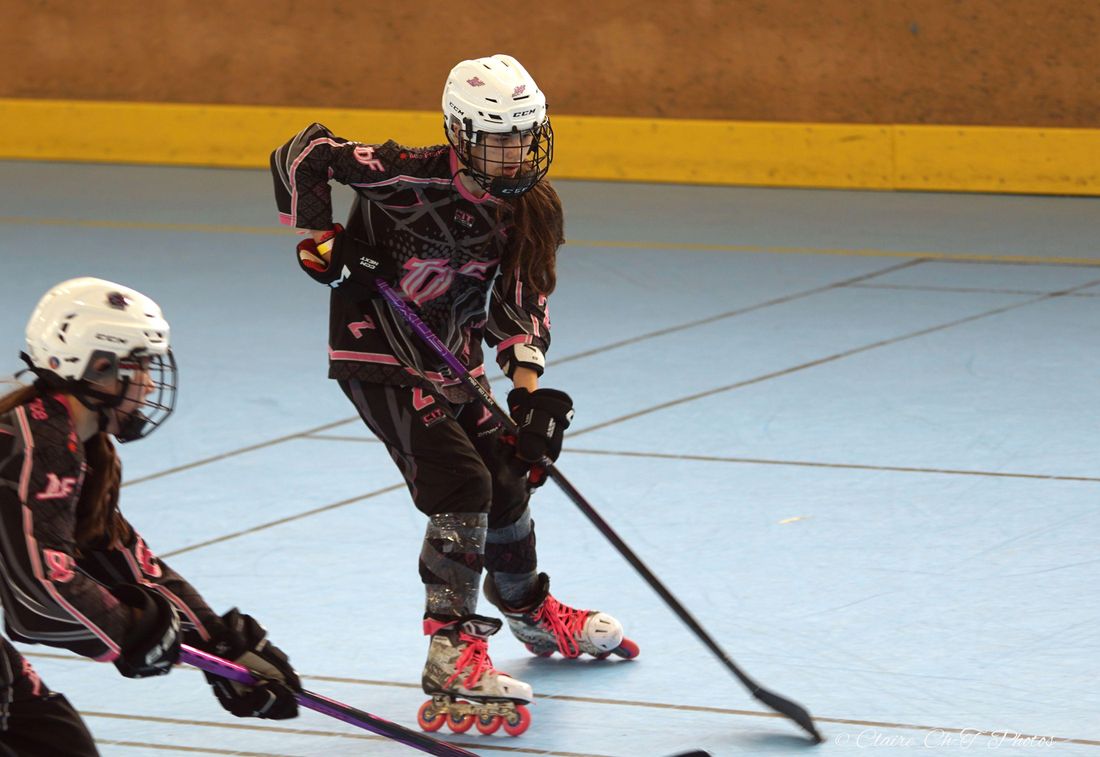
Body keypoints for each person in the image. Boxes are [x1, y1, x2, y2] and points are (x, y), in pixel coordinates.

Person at [270, 53, 637, 736]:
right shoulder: (404, 172)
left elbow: (523, 300)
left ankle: (529, 611)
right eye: (499, 140)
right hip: (378, 353)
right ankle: (452, 651)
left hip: (454, 362)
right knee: (461, 482)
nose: (516, 154)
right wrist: (323, 239)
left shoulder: (533, 208)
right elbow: (307, 152)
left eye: (525, 137)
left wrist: (527, 395)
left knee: (509, 474)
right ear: (462, 135)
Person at [0, 277, 301, 756]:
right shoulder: (41, 447)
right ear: (95, 367)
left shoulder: (79, 447)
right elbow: (37, 600)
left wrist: (222, 644)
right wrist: (133, 632)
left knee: (58, 744)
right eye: (138, 365)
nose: (151, 383)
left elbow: (123, 562)